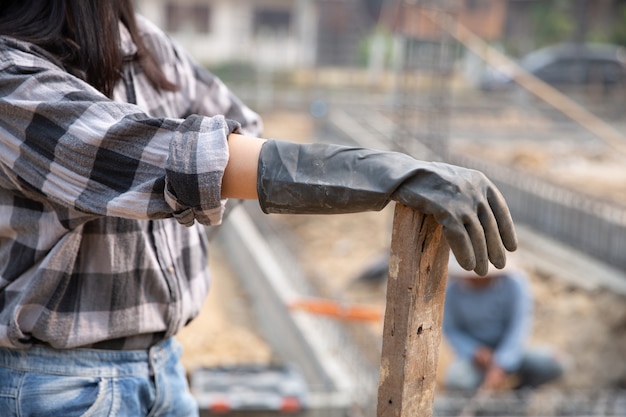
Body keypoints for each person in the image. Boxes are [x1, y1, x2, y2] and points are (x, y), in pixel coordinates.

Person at [0, 1, 518, 416]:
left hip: (163, 364)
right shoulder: (11, 76)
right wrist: (383, 172)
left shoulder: (140, 45)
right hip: (57, 385)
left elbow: (238, 130)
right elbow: (196, 161)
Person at [442, 257, 564, 392]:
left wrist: (501, 363)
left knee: (555, 363)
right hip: (477, 360)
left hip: (513, 351)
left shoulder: (514, 284)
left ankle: (521, 391)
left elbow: (518, 327)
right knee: (457, 379)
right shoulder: (452, 291)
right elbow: (452, 329)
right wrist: (475, 351)